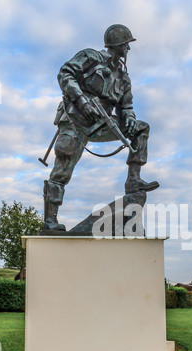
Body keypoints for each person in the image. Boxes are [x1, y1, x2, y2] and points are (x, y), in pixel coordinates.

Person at [43, 24, 159, 231]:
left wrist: (130, 118)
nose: (128, 50)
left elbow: (126, 106)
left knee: (141, 128)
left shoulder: (123, 77)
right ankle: (50, 221)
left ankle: (133, 180)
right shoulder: (90, 57)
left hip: (101, 122)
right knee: (63, 168)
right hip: (76, 118)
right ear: (116, 45)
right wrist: (81, 100)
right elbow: (65, 74)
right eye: (126, 45)